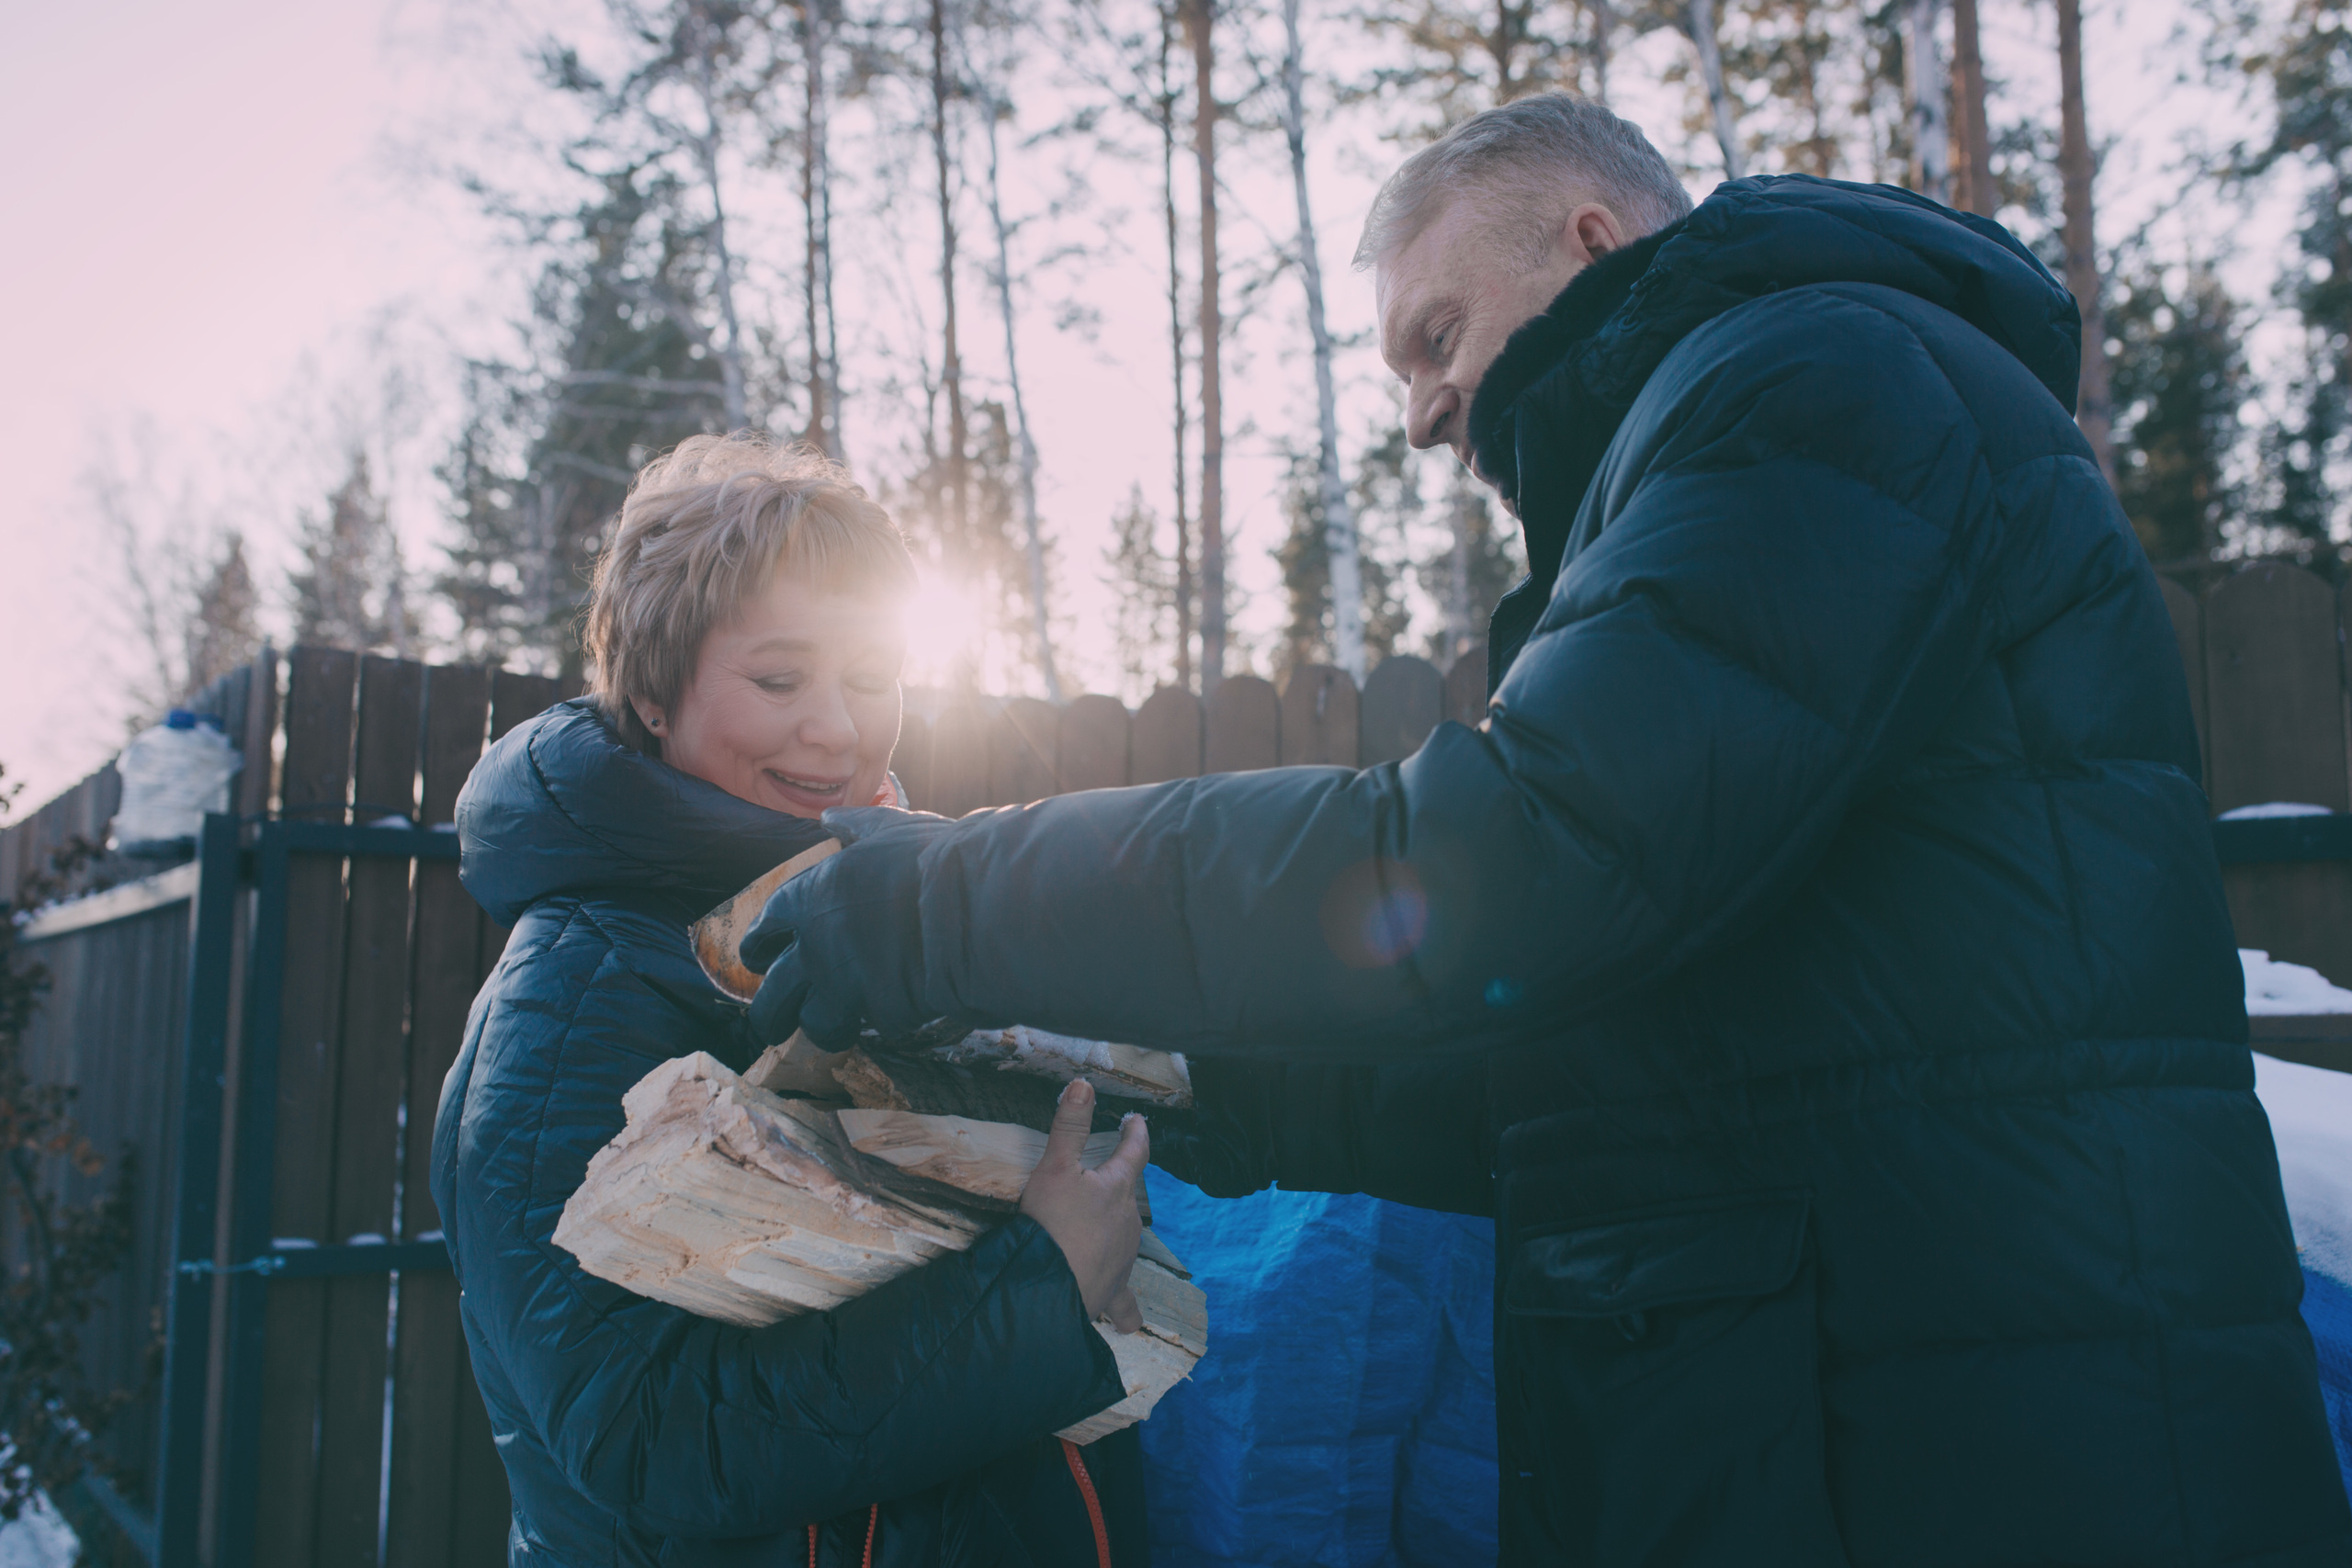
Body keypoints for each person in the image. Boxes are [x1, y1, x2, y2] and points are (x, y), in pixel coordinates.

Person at [742, 95, 2352, 1564]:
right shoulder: (1735, 457)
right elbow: (1584, 1070)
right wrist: (1190, 1081)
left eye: (1436, 336)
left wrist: (955, 897)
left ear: (1591, 237)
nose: (1425, 413)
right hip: (1883, 1417)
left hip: (2005, 1447)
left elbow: (1506, 864)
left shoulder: (1822, 383)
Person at [431, 434, 1153, 1568]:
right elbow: (648, 1434)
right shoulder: (577, 999)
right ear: (654, 695)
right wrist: (1040, 1289)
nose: (838, 727)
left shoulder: (888, 923)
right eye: (779, 681)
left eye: (870, 676)